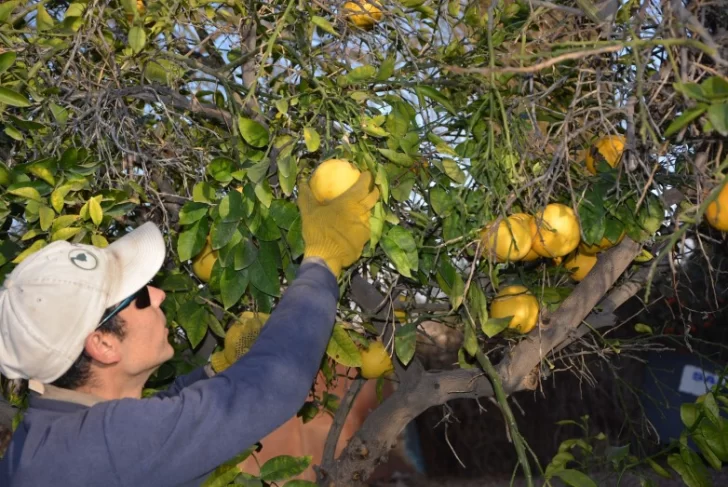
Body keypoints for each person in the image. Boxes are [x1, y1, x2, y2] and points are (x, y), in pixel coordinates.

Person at [0, 171, 379, 486]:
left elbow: (161, 418)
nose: (159, 295)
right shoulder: (110, 445)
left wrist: (217, 368)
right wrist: (323, 261)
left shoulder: (46, 438)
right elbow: (271, 388)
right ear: (102, 344)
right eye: (140, 298)